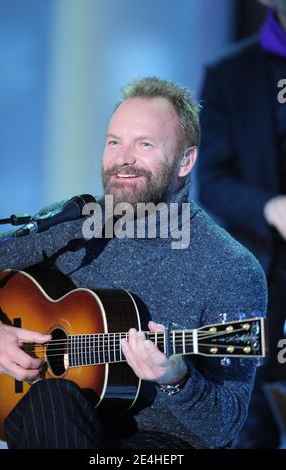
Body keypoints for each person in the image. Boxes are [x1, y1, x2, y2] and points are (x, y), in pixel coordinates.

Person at [0, 77, 267, 449]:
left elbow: (224, 426)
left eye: (144, 144)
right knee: (50, 400)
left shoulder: (232, 268)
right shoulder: (71, 224)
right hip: (56, 425)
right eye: (114, 142)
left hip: (162, 445)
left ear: (186, 160)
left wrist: (177, 380)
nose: (123, 159)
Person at [197, 0, 286, 448]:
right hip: (265, 276)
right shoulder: (229, 72)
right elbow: (211, 181)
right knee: (252, 423)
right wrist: (270, 207)